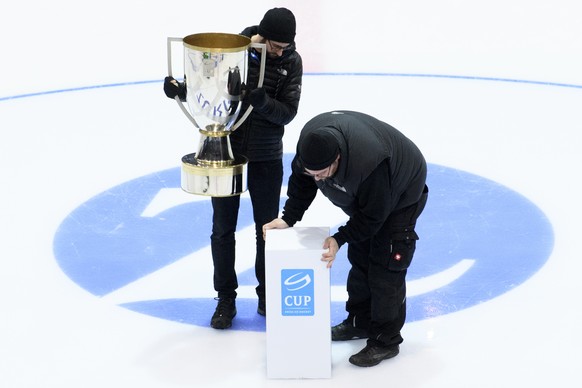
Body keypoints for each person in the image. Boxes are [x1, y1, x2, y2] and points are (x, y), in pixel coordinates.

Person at [163, 8, 303, 329]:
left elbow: (288, 113)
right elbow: (207, 93)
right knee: (222, 229)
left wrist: (262, 100)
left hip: (266, 157)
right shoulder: (235, 51)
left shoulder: (291, 62)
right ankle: (225, 298)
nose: (281, 52)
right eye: (276, 46)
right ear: (263, 36)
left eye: (286, 46)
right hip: (227, 153)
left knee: (266, 231)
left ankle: (267, 294)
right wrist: (179, 90)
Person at [263, 110, 428, 367]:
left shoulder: (369, 162)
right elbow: (302, 183)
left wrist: (340, 237)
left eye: (322, 173)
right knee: (360, 255)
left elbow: (374, 216)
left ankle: (385, 341)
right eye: (312, 173)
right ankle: (359, 322)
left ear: (337, 158)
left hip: (400, 194)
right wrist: (288, 218)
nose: (317, 179)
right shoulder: (310, 147)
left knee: (385, 265)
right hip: (366, 196)